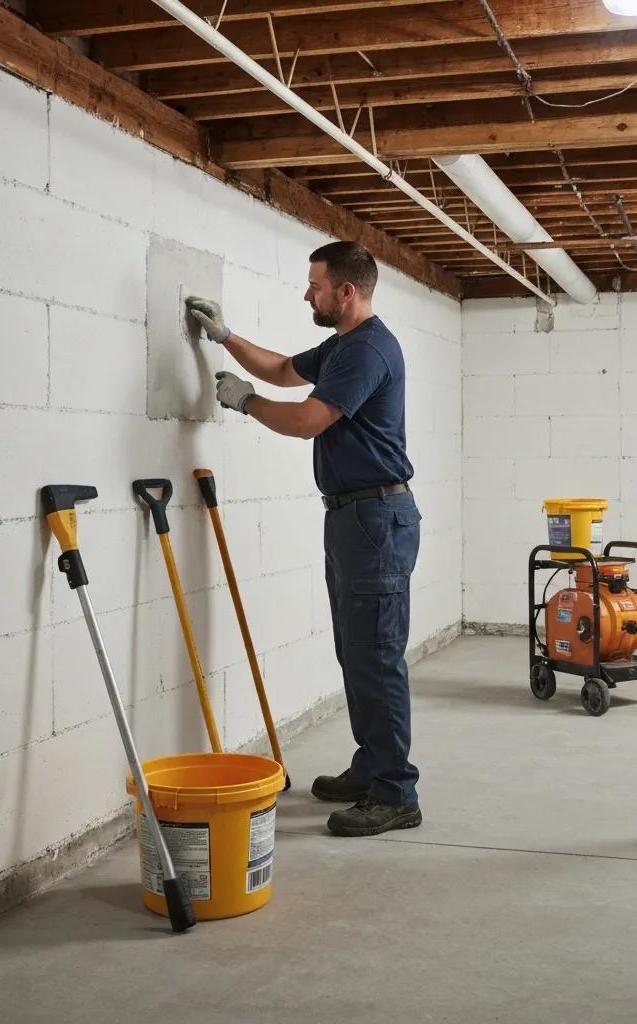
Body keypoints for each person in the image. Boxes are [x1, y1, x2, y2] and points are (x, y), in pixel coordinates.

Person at [186, 241, 422, 838]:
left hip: (375, 520)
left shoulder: (368, 350)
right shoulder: (344, 346)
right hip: (352, 518)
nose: (306, 292)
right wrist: (226, 335)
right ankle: (372, 768)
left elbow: (306, 420)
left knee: (376, 656)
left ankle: (396, 792)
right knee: (356, 651)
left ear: (347, 292)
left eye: (315, 284)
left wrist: (245, 402)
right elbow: (285, 369)